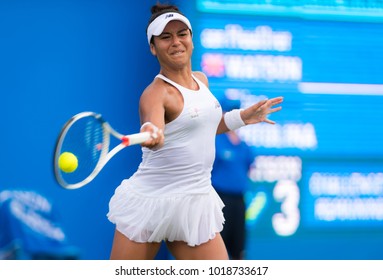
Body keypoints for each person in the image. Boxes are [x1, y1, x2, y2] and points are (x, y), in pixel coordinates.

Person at [107, 2, 283, 260]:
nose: (176, 42)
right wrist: (152, 134)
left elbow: (204, 126)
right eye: (165, 37)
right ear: (153, 48)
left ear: (191, 39)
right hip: (150, 200)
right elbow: (152, 126)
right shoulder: (155, 94)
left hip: (194, 201)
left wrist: (243, 117)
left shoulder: (201, 79)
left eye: (182, 34)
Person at [211, 98, 255, 260]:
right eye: (230, 111)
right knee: (217, 250)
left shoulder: (244, 146)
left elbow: (249, 168)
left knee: (239, 251)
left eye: (237, 111)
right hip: (219, 201)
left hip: (239, 202)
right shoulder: (215, 141)